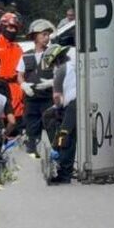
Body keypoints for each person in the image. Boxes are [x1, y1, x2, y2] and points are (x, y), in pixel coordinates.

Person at [17, 19, 56, 156]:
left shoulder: (53, 54)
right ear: (35, 36)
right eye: (43, 35)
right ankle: (34, 156)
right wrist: (23, 85)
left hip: (47, 99)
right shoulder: (26, 55)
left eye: (48, 35)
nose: (46, 38)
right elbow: (20, 74)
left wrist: (52, 82)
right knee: (31, 130)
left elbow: (61, 74)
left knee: (52, 128)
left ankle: (57, 156)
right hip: (31, 99)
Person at [44, 44, 76, 184]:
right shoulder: (73, 65)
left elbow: (57, 96)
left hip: (72, 105)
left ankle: (64, 173)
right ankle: (63, 164)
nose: (53, 68)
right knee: (67, 136)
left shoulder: (61, 70)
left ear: (55, 61)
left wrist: (57, 108)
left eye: (52, 65)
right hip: (78, 103)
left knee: (64, 137)